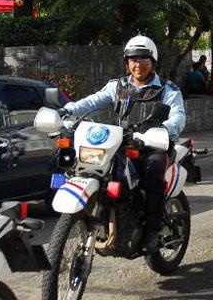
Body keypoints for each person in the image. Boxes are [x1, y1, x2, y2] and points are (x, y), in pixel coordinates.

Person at [63, 35, 186, 251]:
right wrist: (68, 110)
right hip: (122, 143)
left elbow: (178, 117)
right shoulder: (118, 86)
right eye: (133, 60)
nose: (137, 65)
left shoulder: (168, 90)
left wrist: (164, 129)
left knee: (152, 173)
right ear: (127, 62)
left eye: (143, 60)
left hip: (153, 145)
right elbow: (93, 101)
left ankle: (152, 230)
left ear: (153, 62)